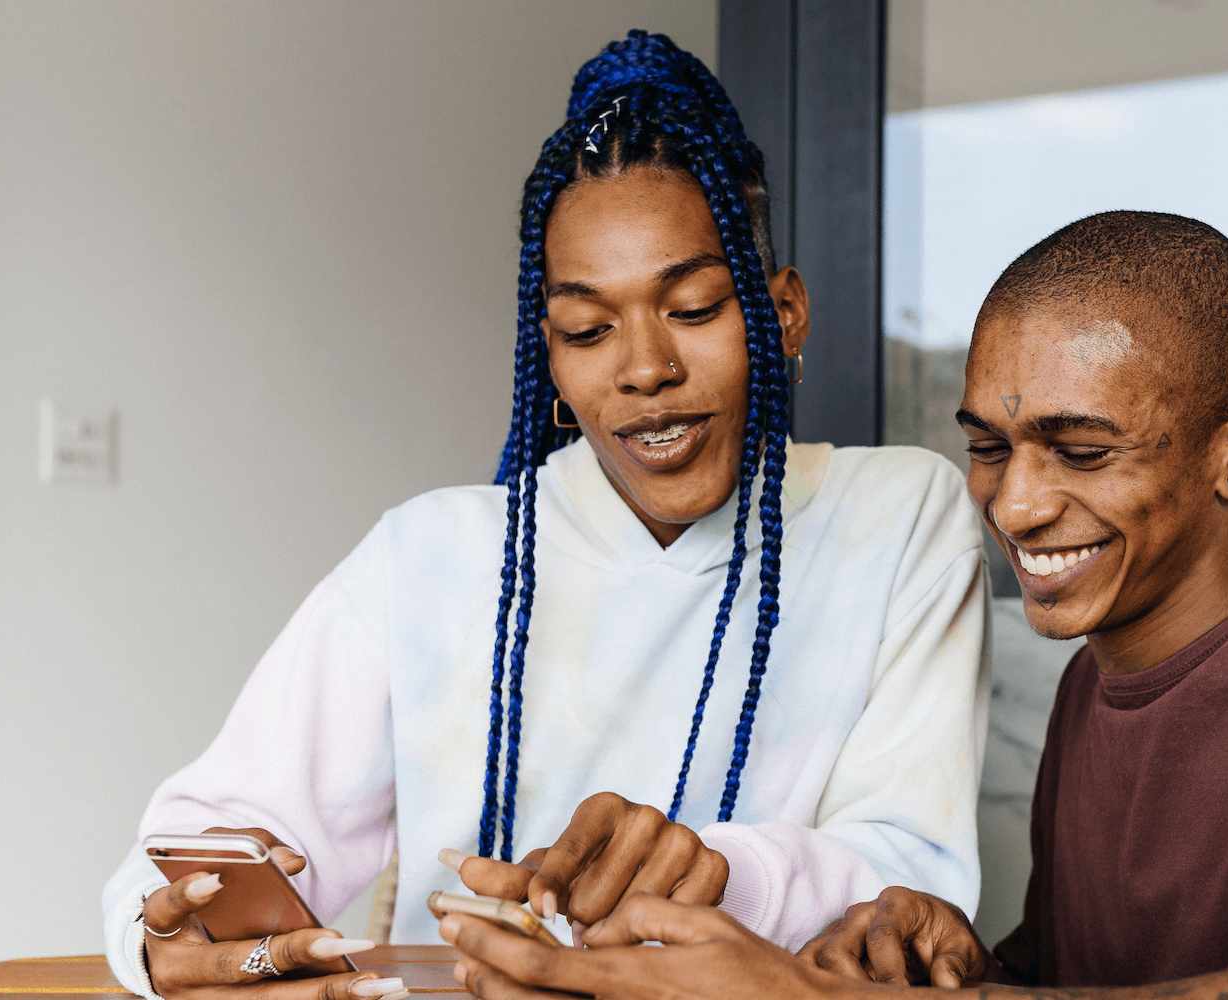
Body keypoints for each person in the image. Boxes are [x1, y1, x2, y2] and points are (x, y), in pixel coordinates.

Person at [438, 211, 1228, 1000]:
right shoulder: (1091, 688)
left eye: (1079, 448)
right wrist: (954, 963)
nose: (1013, 504)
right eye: (990, 447)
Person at [100, 32, 990, 1000]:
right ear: (551, 367)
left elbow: (919, 876)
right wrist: (163, 927)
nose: (644, 368)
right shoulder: (430, 554)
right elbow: (212, 832)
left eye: (692, 308)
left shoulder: (897, 515)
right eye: (586, 329)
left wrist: (716, 869)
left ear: (782, 317)